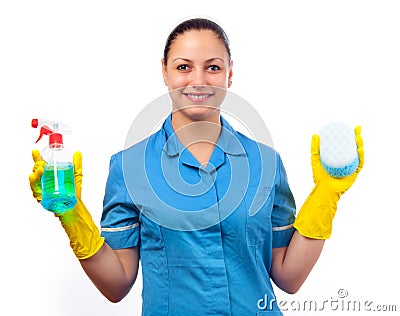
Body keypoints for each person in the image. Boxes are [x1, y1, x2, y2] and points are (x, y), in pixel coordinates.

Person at [29, 18, 364, 315]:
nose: (198, 80)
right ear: (164, 71)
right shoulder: (129, 167)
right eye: (183, 67)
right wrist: (73, 217)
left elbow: (289, 277)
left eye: (213, 67)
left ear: (230, 73)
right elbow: (117, 286)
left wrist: (327, 195)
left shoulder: (265, 163)